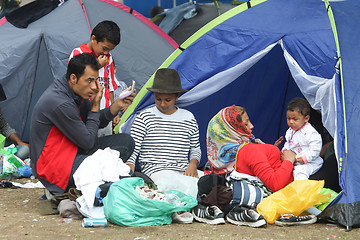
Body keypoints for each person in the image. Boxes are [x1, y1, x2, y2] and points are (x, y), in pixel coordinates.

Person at [30, 53, 135, 196]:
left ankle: (97, 179)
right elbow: (88, 142)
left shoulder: (77, 91)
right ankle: (78, 184)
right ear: (73, 78)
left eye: (96, 80)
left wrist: (117, 105)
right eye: (89, 80)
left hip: (74, 149)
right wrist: (95, 105)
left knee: (126, 142)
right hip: (54, 165)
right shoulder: (59, 102)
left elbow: (93, 121)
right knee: (116, 171)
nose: (94, 87)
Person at [126, 68, 202, 224]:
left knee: (206, 181)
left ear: (177, 96)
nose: (162, 104)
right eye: (158, 99)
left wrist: (193, 165)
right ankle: (178, 209)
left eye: (167, 100)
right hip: (157, 170)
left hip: (183, 170)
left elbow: (195, 148)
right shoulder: (144, 117)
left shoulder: (188, 118)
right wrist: (129, 170)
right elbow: (134, 149)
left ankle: (186, 207)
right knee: (175, 184)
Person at [69, 20, 127, 136]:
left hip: (105, 114)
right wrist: (97, 65)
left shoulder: (108, 59)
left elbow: (109, 87)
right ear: (94, 39)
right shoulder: (78, 53)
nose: (106, 52)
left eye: (110, 50)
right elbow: (75, 82)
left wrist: (113, 111)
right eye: (104, 48)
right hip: (86, 115)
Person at [281, 98, 323, 180]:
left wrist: (306, 158)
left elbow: (316, 149)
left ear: (306, 118)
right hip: (295, 160)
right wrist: (285, 149)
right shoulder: (290, 131)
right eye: (288, 118)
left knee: (300, 172)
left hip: (310, 162)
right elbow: (288, 143)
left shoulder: (310, 133)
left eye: (295, 119)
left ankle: (302, 189)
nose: (291, 122)